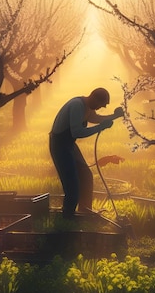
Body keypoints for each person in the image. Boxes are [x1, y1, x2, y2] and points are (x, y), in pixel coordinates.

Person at [49, 87, 124, 218]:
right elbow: (77, 132)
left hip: (69, 145)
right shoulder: (77, 105)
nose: (100, 108)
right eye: (100, 105)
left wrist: (115, 116)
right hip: (60, 146)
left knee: (86, 176)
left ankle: (85, 212)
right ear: (94, 98)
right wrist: (101, 127)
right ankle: (68, 218)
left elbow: (95, 118)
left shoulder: (87, 107)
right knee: (72, 186)